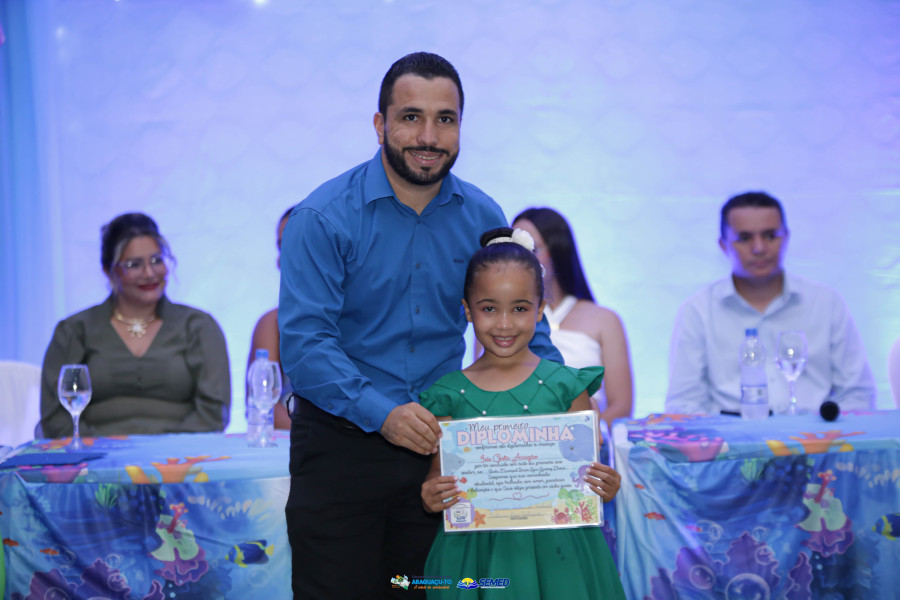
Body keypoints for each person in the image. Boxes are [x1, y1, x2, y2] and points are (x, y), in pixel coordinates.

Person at [278, 52, 563, 600]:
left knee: (430, 591)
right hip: (341, 452)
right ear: (380, 124)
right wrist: (381, 413)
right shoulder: (322, 218)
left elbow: (526, 325)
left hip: (444, 457)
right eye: (411, 117)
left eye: (445, 119)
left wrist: (561, 407)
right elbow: (306, 345)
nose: (428, 136)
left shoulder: (483, 217)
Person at [419, 227, 625, 600]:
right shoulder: (447, 396)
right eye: (489, 308)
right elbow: (440, 476)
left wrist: (605, 486)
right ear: (467, 310)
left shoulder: (567, 387)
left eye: (519, 308)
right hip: (479, 555)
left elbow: (587, 476)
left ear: (540, 309)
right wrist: (433, 493)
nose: (504, 323)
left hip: (561, 556)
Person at [665, 191, 876, 415]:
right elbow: (684, 405)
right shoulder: (698, 311)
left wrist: (830, 432)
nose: (759, 248)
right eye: (744, 238)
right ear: (723, 245)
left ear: (786, 238)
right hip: (731, 434)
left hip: (815, 432)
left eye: (770, 235)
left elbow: (857, 396)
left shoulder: (825, 303)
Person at [40, 212, 231, 437]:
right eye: (134, 265)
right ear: (108, 271)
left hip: (181, 454)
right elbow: (56, 417)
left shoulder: (199, 327)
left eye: (157, 260)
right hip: (95, 455)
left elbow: (213, 413)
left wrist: (169, 452)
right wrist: (102, 450)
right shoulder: (74, 330)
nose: (149, 273)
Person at [513, 207, 634, 427]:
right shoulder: (495, 320)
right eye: (513, 250)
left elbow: (621, 406)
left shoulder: (605, 320)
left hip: (586, 439)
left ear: (557, 250)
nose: (520, 260)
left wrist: (580, 436)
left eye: (532, 250)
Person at [247, 207, 293, 430]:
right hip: (297, 441)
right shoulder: (273, 323)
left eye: (295, 246)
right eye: (281, 247)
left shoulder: (367, 317)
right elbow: (262, 407)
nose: (280, 259)